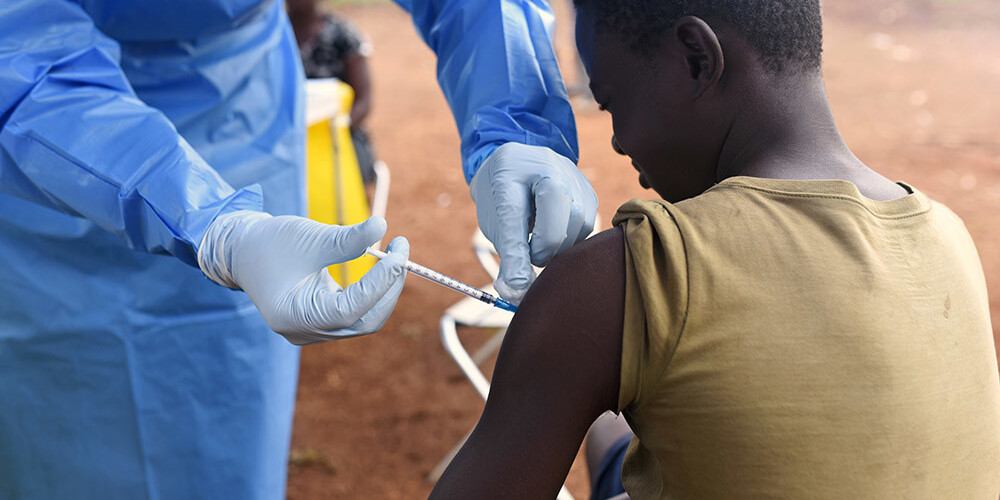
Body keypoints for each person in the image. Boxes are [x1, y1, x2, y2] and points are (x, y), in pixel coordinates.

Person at [0, 0, 595, 498]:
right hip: (56, 160)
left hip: (244, 115)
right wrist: (214, 227)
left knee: (224, 430)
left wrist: (517, 124)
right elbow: (22, 62)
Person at [428, 0, 1000, 498]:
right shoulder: (949, 237)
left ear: (697, 59)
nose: (619, 140)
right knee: (613, 435)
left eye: (613, 102)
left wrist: (561, 314)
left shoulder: (636, 271)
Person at [288, 0, 379, 187]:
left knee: (347, 180)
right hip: (287, 139)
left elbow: (363, 102)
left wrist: (335, 130)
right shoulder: (274, 38)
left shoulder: (344, 35)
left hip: (341, 135)